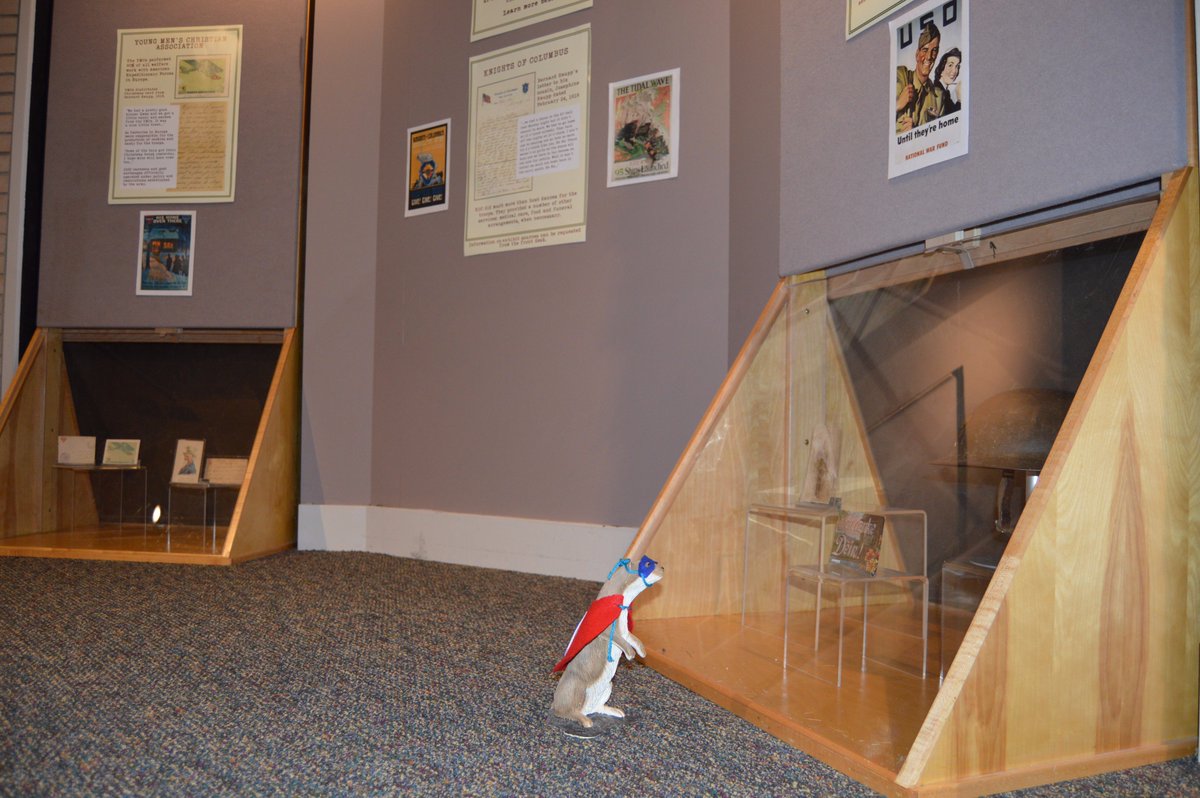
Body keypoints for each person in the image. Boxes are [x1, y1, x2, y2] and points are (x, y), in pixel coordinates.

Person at [895, 22, 943, 132]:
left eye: (934, 51)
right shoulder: (901, 75)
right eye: (925, 50)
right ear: (917, 54)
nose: (929, 57)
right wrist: (897, 105)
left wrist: (916, 132)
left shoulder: (939, 97)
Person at [935, 48, 963, 115]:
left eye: (957, 66)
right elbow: (952, 117)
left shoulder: (945, 92)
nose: (954, 71)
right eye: (950, 65)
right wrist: (959, 99)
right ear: (941, 69)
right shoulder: (937, 91)